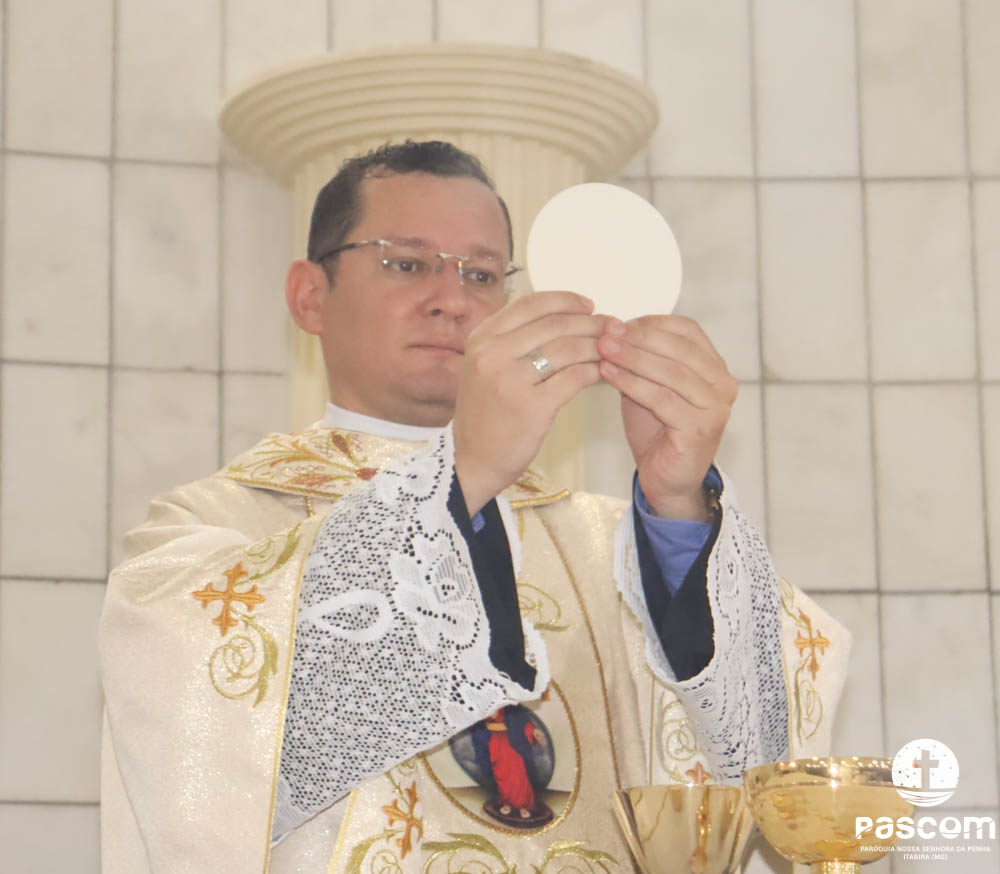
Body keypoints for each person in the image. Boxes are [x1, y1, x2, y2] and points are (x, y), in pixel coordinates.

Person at [100, 141, 849, 874]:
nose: (452, 299)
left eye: (483, 274)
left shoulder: (619, 543)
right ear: (310, 295)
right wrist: (467, 468)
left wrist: (679, 500)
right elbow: (209, 765)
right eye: (406, 263)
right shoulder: (210, 535)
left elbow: (766, 774)